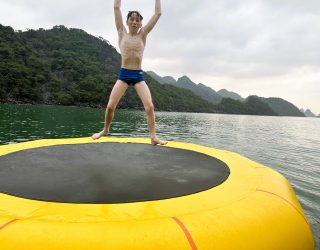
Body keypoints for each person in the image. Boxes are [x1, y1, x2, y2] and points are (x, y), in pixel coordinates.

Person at [91, 0, 167, 145]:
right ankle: (105, 130)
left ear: (140, 24)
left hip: (138, 75)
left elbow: (158, 13)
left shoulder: (143, 35)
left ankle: (153, 137)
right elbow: (116, 7)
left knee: (149, 106)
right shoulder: (121, 32)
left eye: (137, 20)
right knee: (110, 106)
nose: (134, 22)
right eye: (131, 19)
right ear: (127, 22)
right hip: (124, 74)